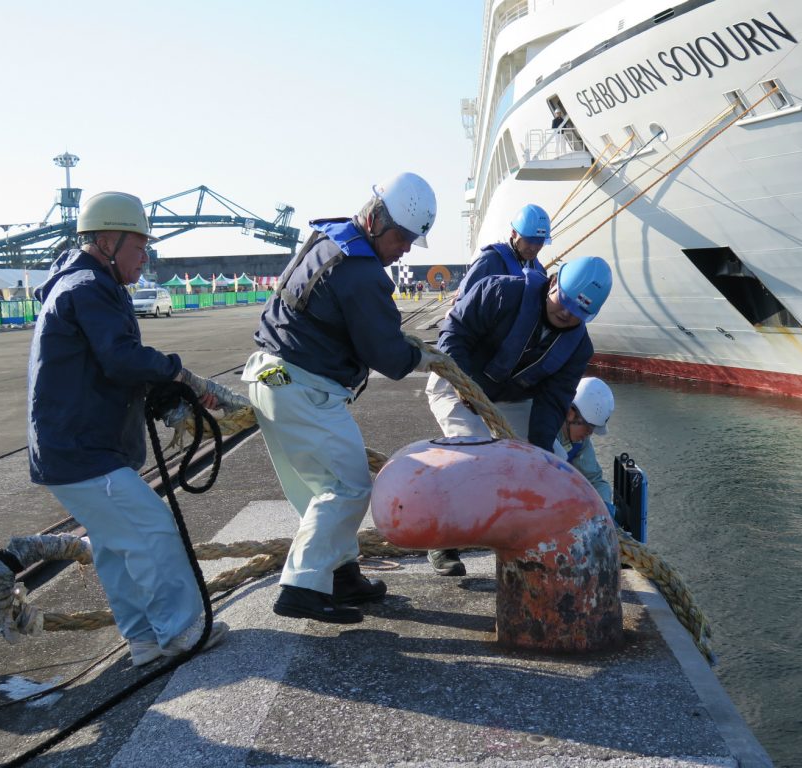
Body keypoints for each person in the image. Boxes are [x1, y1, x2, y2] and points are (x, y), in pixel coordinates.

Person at [28, 191, 229, 667]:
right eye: (139, 246)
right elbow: (120, 358)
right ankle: (180, 631)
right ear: (106, 242)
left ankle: (144, 638)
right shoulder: (87, 288)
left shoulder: (87, 284)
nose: (145, 257)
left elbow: (105, 363)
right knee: (151, 531)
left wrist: (157, 386)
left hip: (70, 448)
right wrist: (178, 374)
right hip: (84, 449)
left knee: (116, 548)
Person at [244, 172, 445, 623]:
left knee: (318, 491)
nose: (405, 248)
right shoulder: (361, 272)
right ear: (376, 220)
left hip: (269, 377)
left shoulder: (327, 240)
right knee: (348, 488)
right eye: (401, 237)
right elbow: (387, 354)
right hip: (304, 388)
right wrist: (421, 356)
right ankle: (301, 587)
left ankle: (340, 575)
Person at [424, 256, 613, 576]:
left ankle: (536, 541)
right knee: (472, 454)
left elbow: (553, 401)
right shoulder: (500, 292)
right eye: (564, 302)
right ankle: (442, 539)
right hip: (456, 382)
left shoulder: (578, 348)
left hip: (511, 398)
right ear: (553, 282)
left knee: (552, 462)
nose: (567, 314)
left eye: (577, 313)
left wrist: (538, 453)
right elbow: (455, 332)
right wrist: (463, 383)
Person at [454, 204, 551, 301]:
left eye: (540, 242)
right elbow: (464, 299)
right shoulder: (489, 261)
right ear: (514, 233)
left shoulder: (539, 270)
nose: (533, 248)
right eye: (528, 241)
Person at [558, 377, 616, 516]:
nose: (589, 433)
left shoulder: (581, 442)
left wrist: (604, 507)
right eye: (588, 427)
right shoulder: (544, 436)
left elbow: (594, 480)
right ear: (570, 414)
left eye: (593, 429)